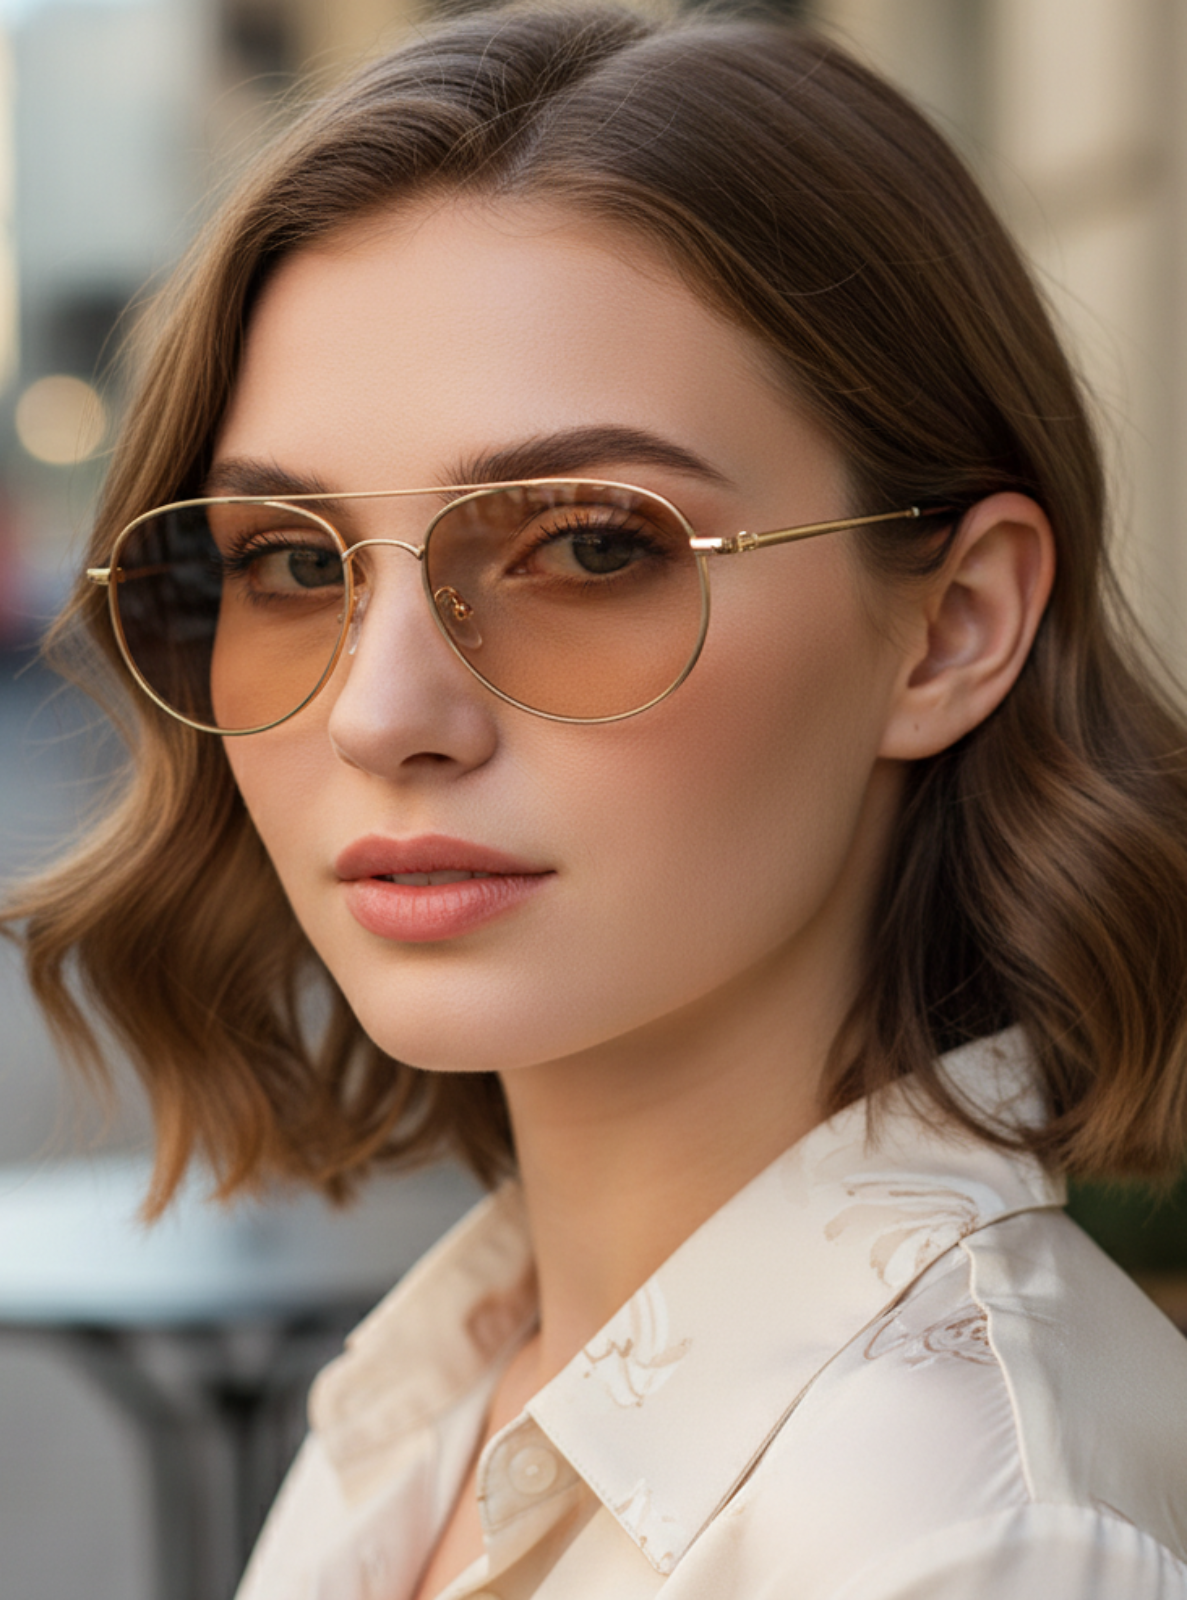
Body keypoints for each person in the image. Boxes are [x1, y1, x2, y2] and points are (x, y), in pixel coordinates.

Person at [6, 4, 1187, 1596]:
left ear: (952, 624)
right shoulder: (470, 1370)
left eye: (591, 546)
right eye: (291, 562)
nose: (380, 714)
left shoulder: (949, 1528)